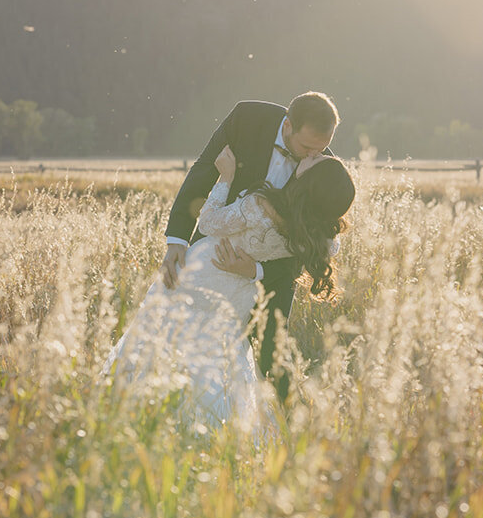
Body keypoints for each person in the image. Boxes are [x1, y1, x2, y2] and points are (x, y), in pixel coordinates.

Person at [109, 137, 355, 431]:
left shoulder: (261, 205)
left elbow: (209, 223)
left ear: (311, 180)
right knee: (218, 356)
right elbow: (323, 250)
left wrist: (225, 178)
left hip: (200, 277)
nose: (315, 154)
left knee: (165, 341)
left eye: (317, 160)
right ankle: (212, 427)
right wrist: (257, 270)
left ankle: (142, 417)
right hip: (237, 294)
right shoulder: (317, 236)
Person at [162, 92, 342, 381]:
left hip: (275, 273)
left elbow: (311, 242)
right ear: (287, 127)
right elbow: (204, 170)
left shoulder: (321, 166)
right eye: (307, 146)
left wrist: (257, 270)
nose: (313, 156)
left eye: (321, 149)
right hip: (215, 256)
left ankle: (278, 421)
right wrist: (177, 240)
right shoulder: (246, 118)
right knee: (184, 336)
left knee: (272, 357)